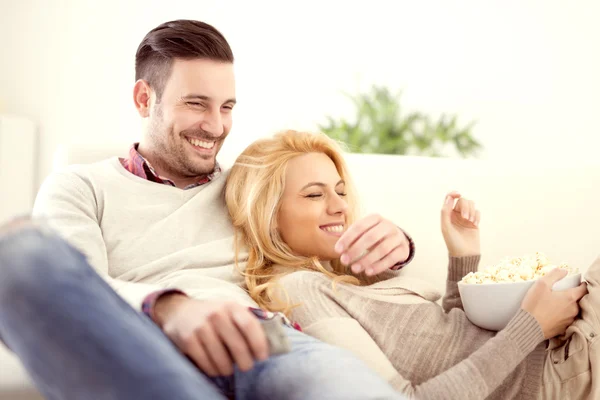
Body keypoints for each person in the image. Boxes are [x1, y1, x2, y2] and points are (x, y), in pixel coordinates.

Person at [0, 20, 414, 399]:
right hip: (145, 348)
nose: (216, 127)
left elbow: (327, 234)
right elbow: (78, 296)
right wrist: (170, 307)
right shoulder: (81, 187)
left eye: (227, 107)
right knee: (17, 254)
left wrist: (397, 245)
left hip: (265, 341)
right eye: (197, 104)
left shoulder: (247, 185)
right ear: (145, 98)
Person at [225, 129, 600, 399]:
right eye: (314, 194)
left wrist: (462, 255)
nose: (340, 206)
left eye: (339, 190)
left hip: (565, 347)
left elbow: (450, 343)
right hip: (560, 374)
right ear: (269, 214)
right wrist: (530, 327)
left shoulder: (342, 271)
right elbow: (409, 396)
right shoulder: (296, 291)